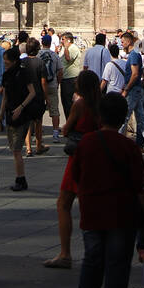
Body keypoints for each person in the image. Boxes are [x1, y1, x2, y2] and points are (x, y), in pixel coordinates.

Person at [70, 92, 144, 288]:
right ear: (123, 116)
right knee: (117, 268)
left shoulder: (87, 142)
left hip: (92, 214)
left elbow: (76, 176)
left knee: (91, 264)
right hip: (121, 215)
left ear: (99, 116)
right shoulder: (129, 147)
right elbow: (140, 185)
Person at [43, 69, 103, 269]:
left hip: (79, 157)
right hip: (97, 156)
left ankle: (65, 253)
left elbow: (66, 128)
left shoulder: (80, 104)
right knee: (91, 204)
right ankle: (96, 250)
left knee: (64, 203)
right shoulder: (100, 104)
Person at [2, 46, 38, 192]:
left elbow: (32, 92)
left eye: (7, 62)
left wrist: (21, 107)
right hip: (10, 113)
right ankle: (20, 178)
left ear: (14, 61)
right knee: (14, 149)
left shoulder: (23, 73)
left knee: (16, 149)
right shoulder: (6, 75)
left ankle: (21, 179)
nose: (5, 64)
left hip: (22, 115)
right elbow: (5, 96)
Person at [38, 33, 63, 141]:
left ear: (42, 43)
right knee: (54, 110)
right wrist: (57, 83)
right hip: (52, 85)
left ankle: (38, 134)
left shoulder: (37, 55)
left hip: (39, 87)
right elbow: (60, 71)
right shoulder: (55, 55)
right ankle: (55, 133)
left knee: (38, 111)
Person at [59, 32, 81, 119]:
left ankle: (71, 122)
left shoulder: (73, 48)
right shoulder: (65, 48)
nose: (62, 41)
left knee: (69, 103)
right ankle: (69, 121)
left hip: (71, 79)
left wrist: (66, 48)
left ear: (68, 40)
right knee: (65, 102)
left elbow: (68, 59)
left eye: (63, 39)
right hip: (65, 78)